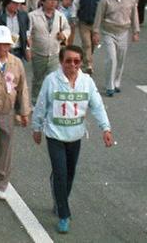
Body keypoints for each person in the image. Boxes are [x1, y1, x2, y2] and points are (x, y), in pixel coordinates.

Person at [31, 45, 113, 234]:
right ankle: (64, 214)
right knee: (60, 173)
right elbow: (41, 105)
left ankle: (60, 201)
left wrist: (105, 128)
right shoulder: (51, 81)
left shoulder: (87, 82)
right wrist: (36, 128)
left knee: (69, 173)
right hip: (55, 135)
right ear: (61, 62)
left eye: (76, 61)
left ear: (81, 62)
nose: (72, 65)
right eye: (68, 61)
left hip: (75, 136)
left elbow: (97, 106)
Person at [0, 26, 30, 199]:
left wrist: (23, 111)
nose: (1, 48)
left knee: (5, 149)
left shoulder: (16, 63)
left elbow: (22, 87)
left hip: (7, 111)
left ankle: (0, 183)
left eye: (4, 45)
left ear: (9, 46)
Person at [92, 0, 139, 96]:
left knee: (120, 59)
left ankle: (117, 81)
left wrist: (136, 31)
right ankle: (109, 86)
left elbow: (134, 16)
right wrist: (95, 32)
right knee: (111, 58)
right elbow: (99, 16)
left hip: (124, 31)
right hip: (108, 32)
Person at [28, 0, 71, 101]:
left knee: (53, 79)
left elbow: (67, 28)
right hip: (38, 53)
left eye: (55, 0)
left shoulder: (60, 16)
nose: (53, 2)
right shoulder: (33, 16)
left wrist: (64, 35)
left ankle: (50, 101)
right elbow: (27, 33)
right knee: (38, 79)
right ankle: (35, 100)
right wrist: (28, 48)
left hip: (54, 53)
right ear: (43, 1)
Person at [72, 0, 104, 75]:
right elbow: (75, 5)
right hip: (83, 23)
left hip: (96, 24)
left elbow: (105, 8)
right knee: (87, 44)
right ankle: (88, 64)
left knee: (94, 44)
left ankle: (86, 58)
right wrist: (73, 17)